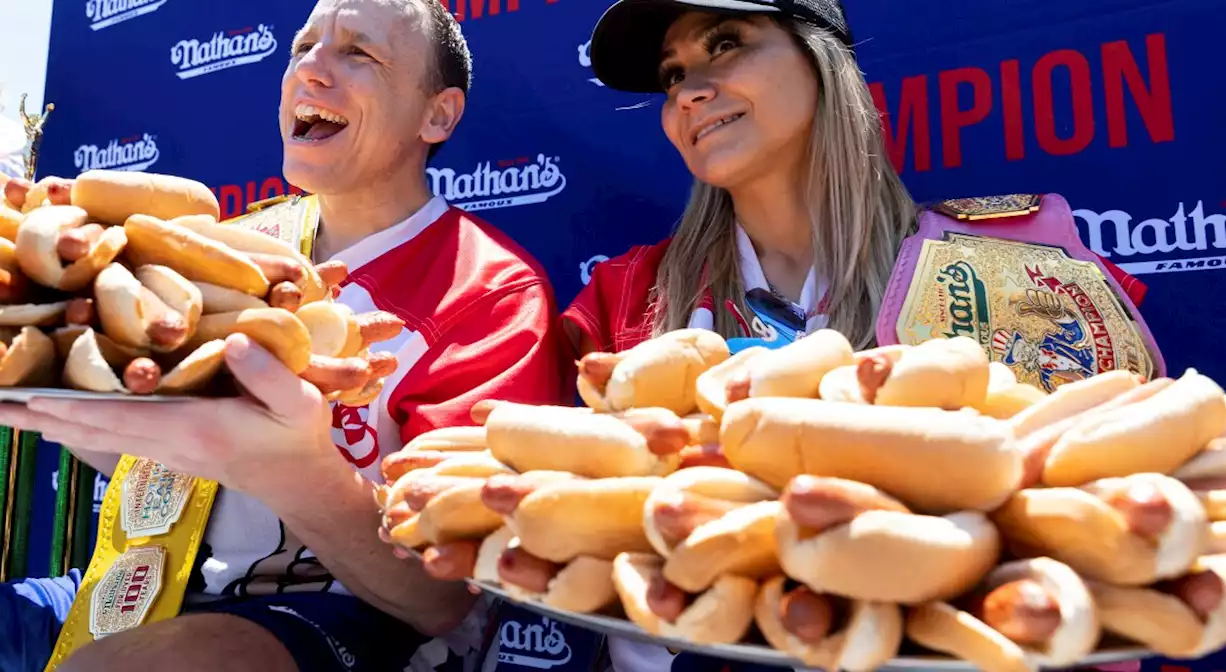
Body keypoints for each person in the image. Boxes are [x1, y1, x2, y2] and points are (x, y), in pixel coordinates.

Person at [558, 0, 1158, 670]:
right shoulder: (624, 299)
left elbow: (1104, 550)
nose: (691, 93)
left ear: (821, 60)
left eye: (726, 44)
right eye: (673, 76)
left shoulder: (1015, 271)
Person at [0, 0, 568, 670]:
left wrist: (281, 465)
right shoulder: (234, 245)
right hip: (133, 586)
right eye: (303, 48)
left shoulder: (490, 290)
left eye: (358, 53)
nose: (312, 71)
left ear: (436, 114)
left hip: (347, 617)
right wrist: (56, 400)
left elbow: (443, 601)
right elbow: (155, 464)